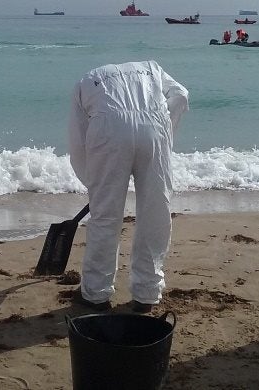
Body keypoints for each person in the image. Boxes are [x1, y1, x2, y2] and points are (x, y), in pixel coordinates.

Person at [68, 61, 189, 313]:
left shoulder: (88, 77)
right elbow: (181, 95)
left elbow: (78, 136)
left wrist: (91, 180)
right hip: (154, 125)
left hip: (107, 127)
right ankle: (147, 294)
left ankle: (96, 294)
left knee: (105, 217)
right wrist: (167, 129)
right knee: (155, 213)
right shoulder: (153, 68)